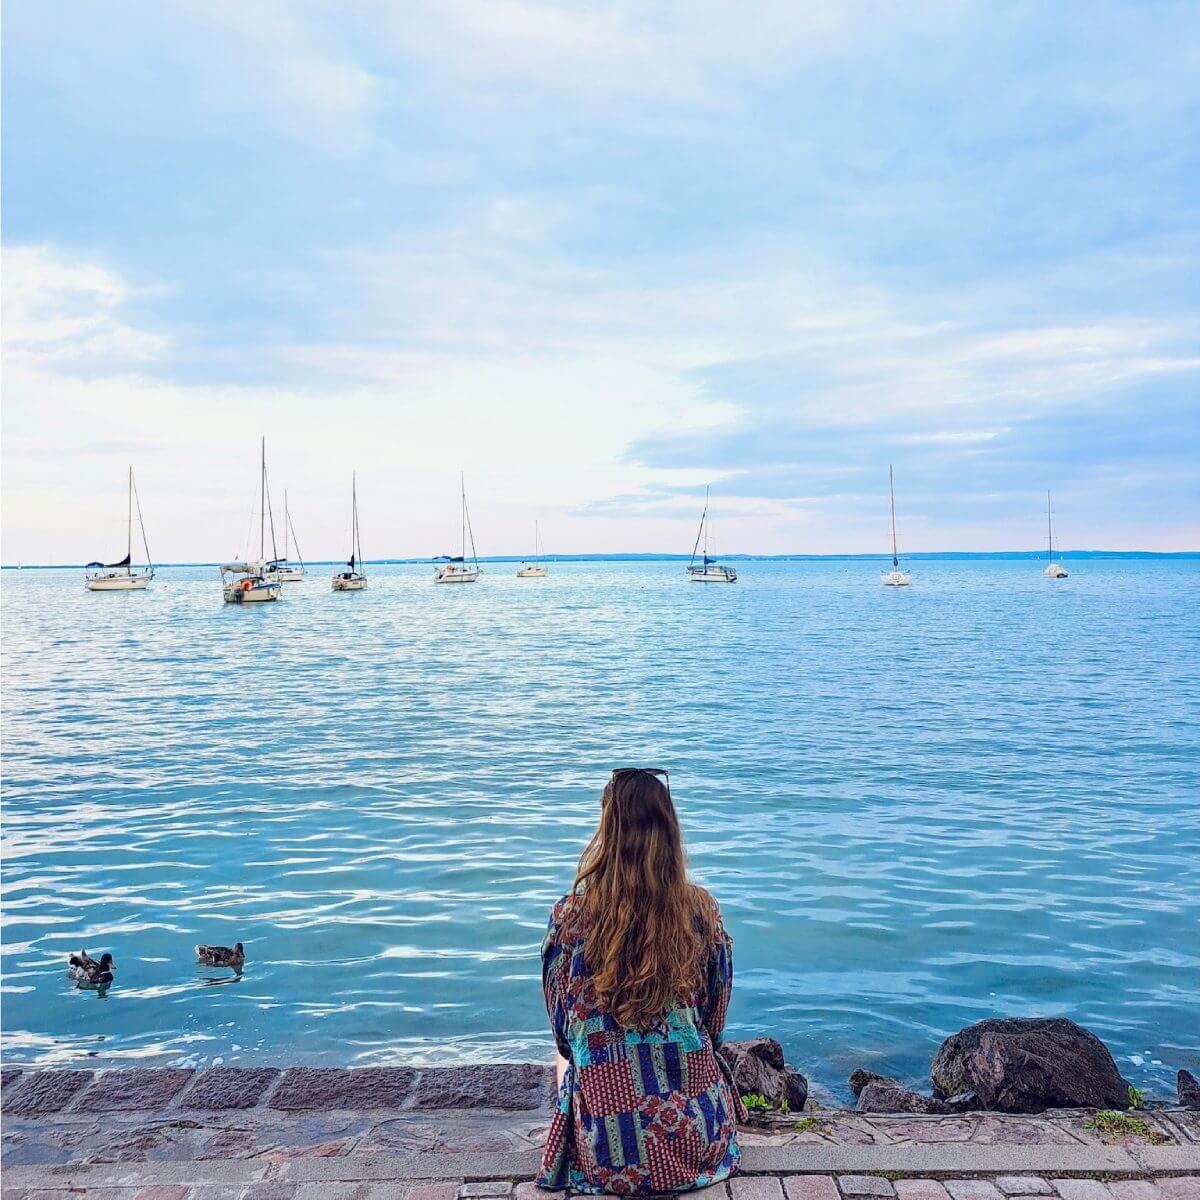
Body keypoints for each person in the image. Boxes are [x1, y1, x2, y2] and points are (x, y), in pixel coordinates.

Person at [537, 768, 744, 1194]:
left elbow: (563, 1032)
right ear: (669, 833)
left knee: (568, 1056)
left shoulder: (569, 918)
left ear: (607, 833)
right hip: (696, 1143)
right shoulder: (702, 914)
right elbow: (714, 1026)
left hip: (609, 1155)